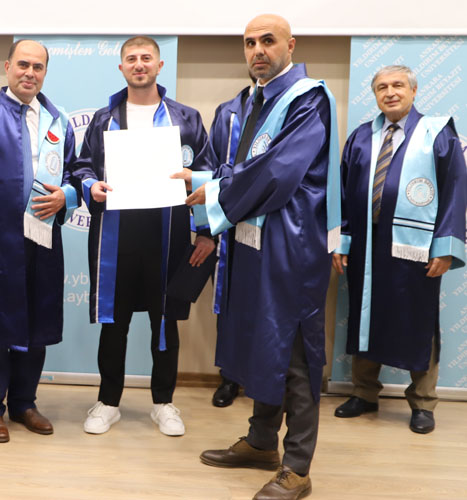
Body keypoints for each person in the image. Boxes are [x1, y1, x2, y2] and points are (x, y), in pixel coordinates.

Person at [180, 14, 340, 500]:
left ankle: (297, 467)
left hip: (291, 244)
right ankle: (261, 441)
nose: (257, 51)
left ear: (291, 45)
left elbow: (277, 171)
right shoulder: (255, 99)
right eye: (249, 43)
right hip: (253, 239)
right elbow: (241, 167)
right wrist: (206, 182)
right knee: (262, 342)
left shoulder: (308, 98)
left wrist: (213, 193)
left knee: (294, 351)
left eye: (267, 41)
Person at [72, 36, 215, 437]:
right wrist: (91, 187)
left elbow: (208, 172)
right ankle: (108, 402)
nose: (139, 64)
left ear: (159, 65)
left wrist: (205, 231)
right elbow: (82, 167)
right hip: (116, 235)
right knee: (113, 323)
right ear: (121, 67)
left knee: (164, 322)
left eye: (146, 58)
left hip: (167, 235)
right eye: (131, 59)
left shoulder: (185, 118)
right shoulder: (104, 118)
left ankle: (164, 403)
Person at [0, 39, 80, 443]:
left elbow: (76, 171)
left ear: (45, 72)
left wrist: (67, 196)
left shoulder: (57, 120)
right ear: (7, 66)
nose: (30, 73)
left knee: (37, 322)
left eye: (38, 67)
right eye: (23, 64)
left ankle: (24, 403)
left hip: (43, 238)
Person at [333, 65, 466, 434]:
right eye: (381, 87)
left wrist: (444, 247)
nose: (389, 92)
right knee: (365, 315)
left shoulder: (437, 134)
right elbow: (343, 192)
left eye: (397, 85)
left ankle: (423, 402)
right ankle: (364, 393)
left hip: (416, 246)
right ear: (375, 95)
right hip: (366, 242)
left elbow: (455, 189)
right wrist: (342, 241)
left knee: (418, 318)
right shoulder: (362, 137)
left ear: (413, 90)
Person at [207, 77, 255, 408]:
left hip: (272, 218)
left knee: (270, 301)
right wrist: (206, 230)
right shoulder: (228, 112)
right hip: (229, 221)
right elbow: (210, 166)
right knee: (231, 301)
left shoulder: (294, 106)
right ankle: (230, 376)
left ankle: (268, 376)